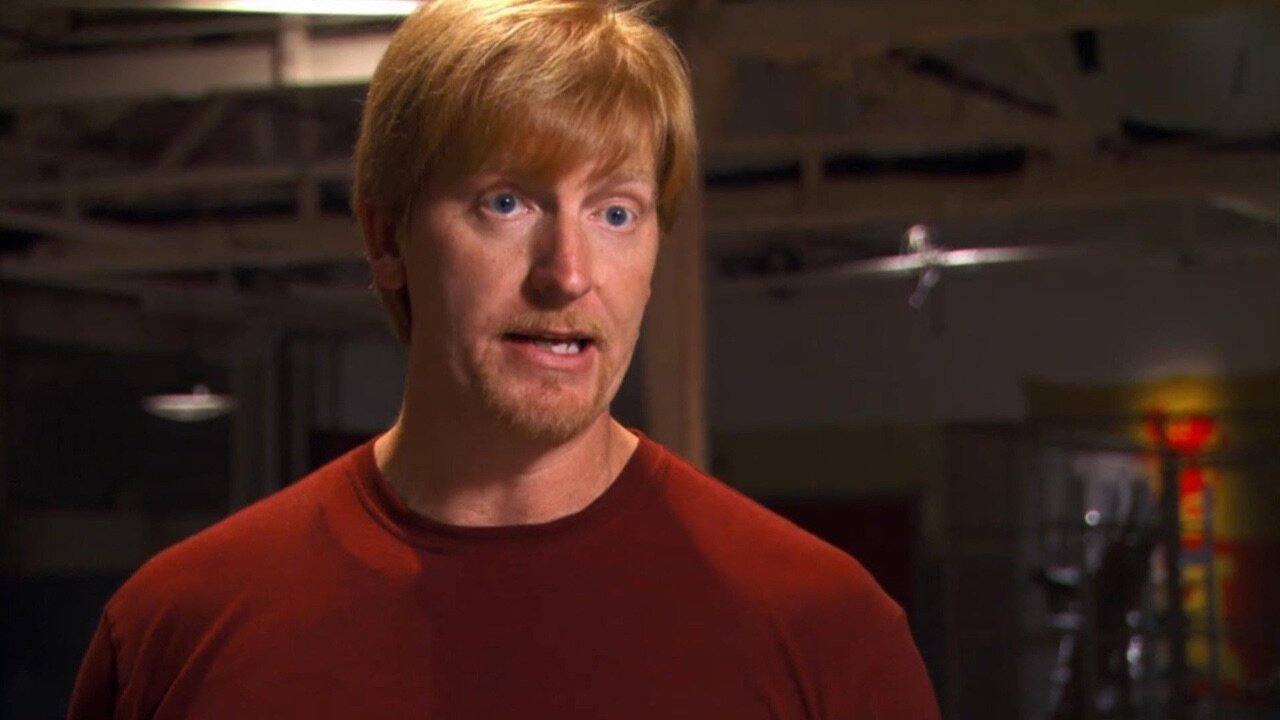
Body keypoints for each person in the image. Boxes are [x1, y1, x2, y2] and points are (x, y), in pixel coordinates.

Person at [68, 1, 940, 718]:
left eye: (616, 213)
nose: (568, 273)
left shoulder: (826, 634)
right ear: (386, 236)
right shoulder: (176, 632)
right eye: (508, 202)